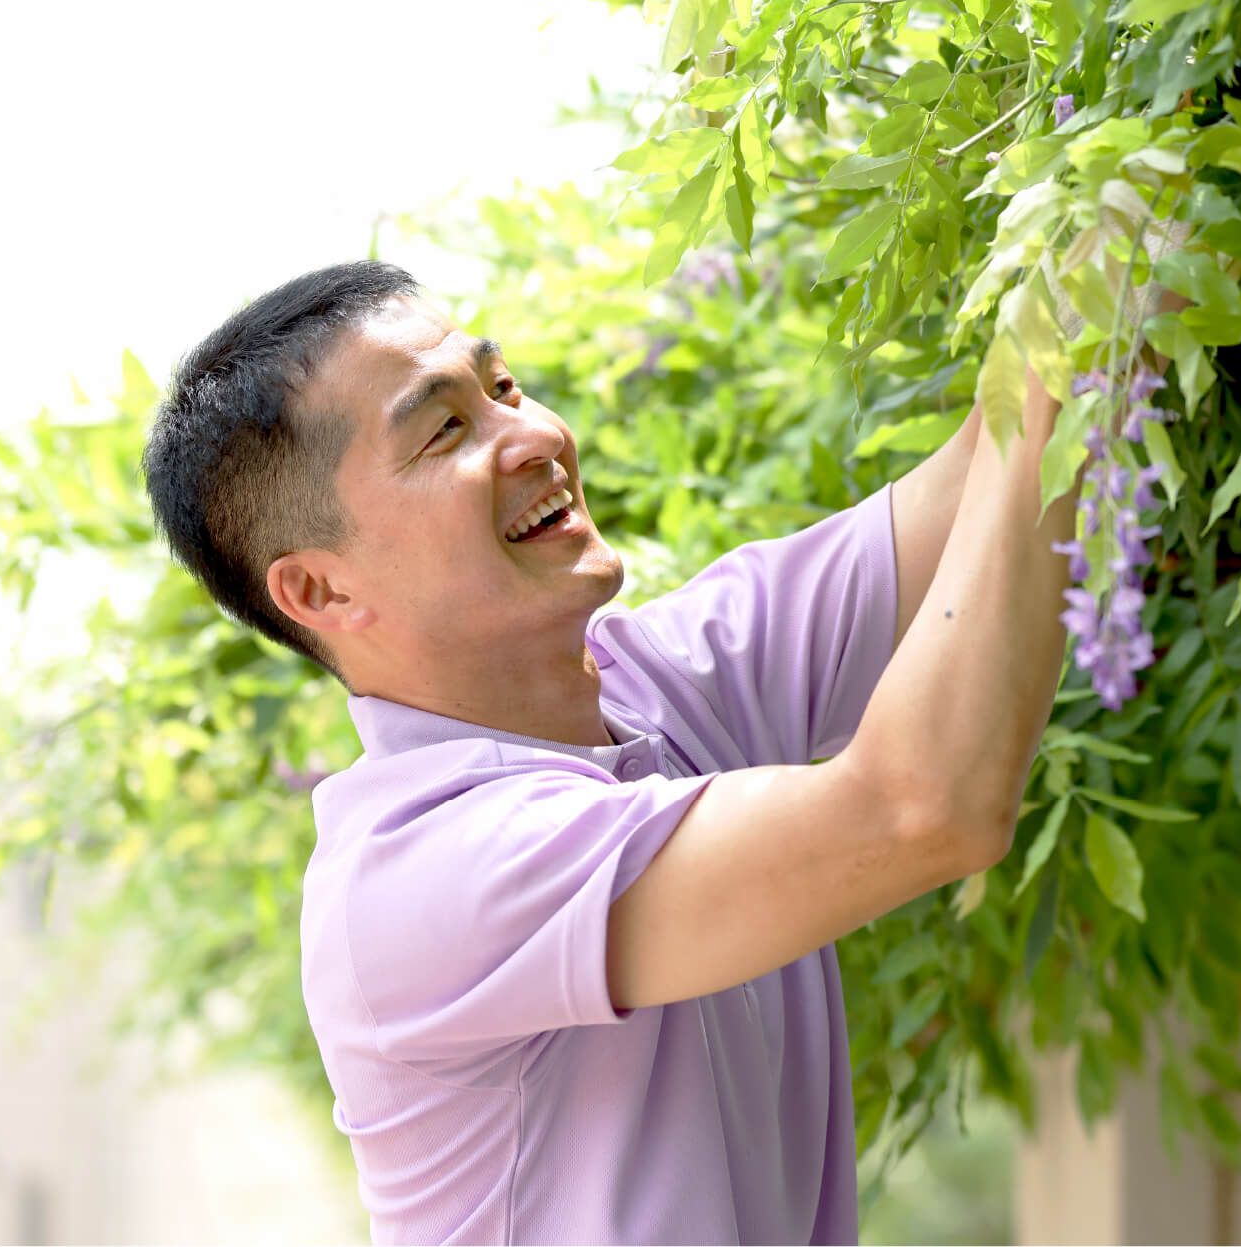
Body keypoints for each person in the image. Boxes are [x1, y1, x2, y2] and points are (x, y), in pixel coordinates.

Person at [142, 259, 1078, 1244]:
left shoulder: (656, 688)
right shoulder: (423, 874)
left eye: (502, 388)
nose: (538, 434)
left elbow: (997, 458)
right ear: (322, 594)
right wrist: (1078, 324)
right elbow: (922, 809)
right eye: (446, 430)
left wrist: (1102, 225)